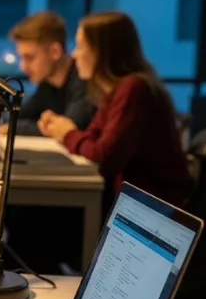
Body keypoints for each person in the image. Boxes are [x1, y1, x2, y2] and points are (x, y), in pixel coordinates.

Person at [40, 11, 192, 214]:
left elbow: (104, 156)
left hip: (151, 210)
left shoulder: (135, 89)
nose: (74, 55)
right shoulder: (116, 89)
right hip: (131, 201)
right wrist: (69, 132)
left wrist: (66, 133)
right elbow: (94, 138)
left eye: (81, 46)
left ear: (102, 52)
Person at [0, 11, 96, 135]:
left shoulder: (84, 79)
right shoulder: (48, 84)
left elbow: (68, 128)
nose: (23, 66)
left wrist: (11, 128)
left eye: (29, 58)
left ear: (55, 51)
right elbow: (24, 113)